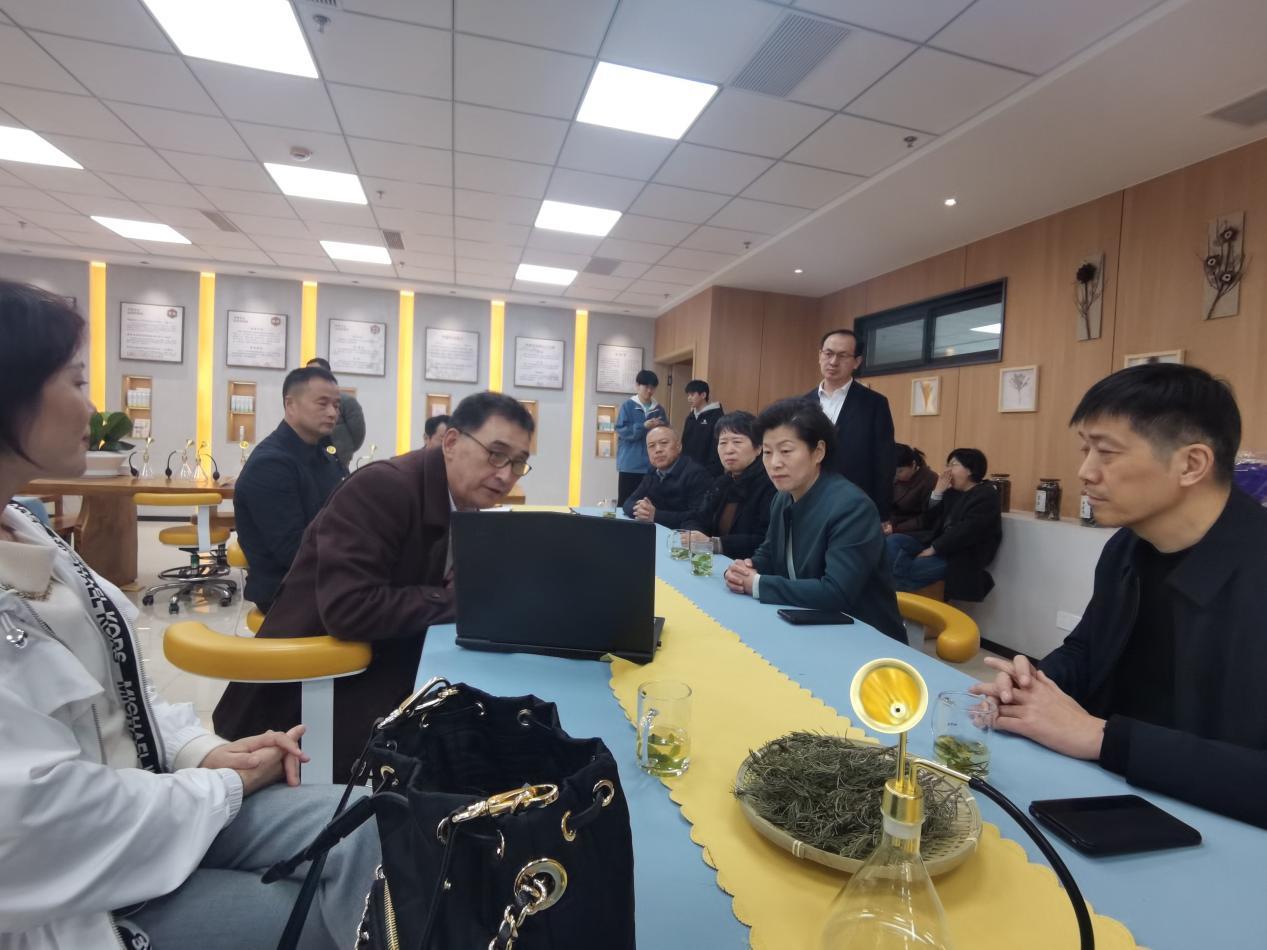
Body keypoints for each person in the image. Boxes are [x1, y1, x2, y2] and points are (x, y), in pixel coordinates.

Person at [0, 281, 378, 950]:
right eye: (76, 381)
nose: (93, 406)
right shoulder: (275, 466)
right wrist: (223, 787)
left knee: (378, 825)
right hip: (81, 889)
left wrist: (203, 751)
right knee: (324, 909)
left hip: (154, 804)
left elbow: (120, 699)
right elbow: (32, 829)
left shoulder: (29, 533)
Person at [973, 364, 1267, 829]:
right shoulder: (1128, 547)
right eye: (1085, 449)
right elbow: (1088, 649)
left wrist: (1101, 738)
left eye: (1106, 452)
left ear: (1192, 464)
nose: (1085, 472)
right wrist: (1034, 685)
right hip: (1108, 794)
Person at [215, 391, 534, 780]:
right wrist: (464, 601)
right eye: (496, 454)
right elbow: (349, 608)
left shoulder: (459, 500)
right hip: (304, 705)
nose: (505, 475)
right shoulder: (385, 488)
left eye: (518, 463)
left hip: (375, 670)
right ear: (451, 442)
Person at [724, 397, 905, 642]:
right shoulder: (783, 497)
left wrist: (757, 584)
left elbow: (836, 591)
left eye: (786, 451)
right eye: (767, 452)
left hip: (863, 638)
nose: (775, 463)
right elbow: (770, 552)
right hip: (805, 625)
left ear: (818, 451)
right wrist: (747, 568)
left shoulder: (852, 507)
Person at [234, 366, 344, 612]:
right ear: (290, 404)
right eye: (322, 403)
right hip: (288, 591)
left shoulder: (322, 454)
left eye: (336, 406)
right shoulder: (270, 464)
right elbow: (293, 552)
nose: (332, 412)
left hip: (324, 576)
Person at [885, 448, 1002, 600]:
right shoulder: (952, 492)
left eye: (953, 465)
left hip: (960, 555)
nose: (947, 470)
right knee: (894, 541)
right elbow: (929, 520)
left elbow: (967, 530)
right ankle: (894, 587)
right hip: (935, 544)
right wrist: (937, 493)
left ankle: (892, 590)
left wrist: (934, 548)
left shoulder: (986, 494)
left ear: (970, 470)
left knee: (911, 568)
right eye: (947, 465)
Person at [803, 329, 896, 520]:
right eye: (828, 353)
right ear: (820, 355)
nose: (833, 361)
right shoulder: (802, 403)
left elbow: (884, 461)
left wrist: (881, 512)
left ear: (857, 362)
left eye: (843, 356)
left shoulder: (874, 403)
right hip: (808, 497)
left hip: (854, 501)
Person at [681, 411, 775, 559]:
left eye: (737, 442)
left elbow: (765, 540)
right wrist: (693, 534)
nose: (729, 450)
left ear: (758, 448)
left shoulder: (770, 484)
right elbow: (697, 516)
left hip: (749, 567)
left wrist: (715, 544)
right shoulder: (723, 482)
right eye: (723, 443)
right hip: (715, 562)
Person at [621, 425, 712, 527]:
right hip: (655, 532)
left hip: (682, 535)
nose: (658, 450)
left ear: (679, 447)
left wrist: (655, 515)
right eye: (651, 446)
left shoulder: (696, 474)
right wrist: (643, 511)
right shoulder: (652, 472)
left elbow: (699, 517)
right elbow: (628, 503)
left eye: (664, 443)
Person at [615, 369, 668, 506]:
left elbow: (666, 433)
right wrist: (643, 426)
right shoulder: (627, 406)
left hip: (652, 465)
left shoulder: (658, 409)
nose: (649, 391)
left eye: (653, 387)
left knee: (648, 504)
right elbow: (621, 430)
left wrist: (660, 427)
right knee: (625, 503)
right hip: (630, 465)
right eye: (646, 387)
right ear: (637, 386)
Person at [306, 357, 365, 470]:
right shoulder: (304, 401)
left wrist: (345, 450)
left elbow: (358, 434)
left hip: (338, 459)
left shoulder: (347, 401)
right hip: (310, 459)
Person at [887, 444, 937, 535]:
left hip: (912, 530)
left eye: (900, 471)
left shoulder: (929, 480)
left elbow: (926, 518)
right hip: (890, 524)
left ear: (913, 465)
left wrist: (895, 529)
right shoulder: (893, 477)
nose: (895, 476)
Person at [681, 379, 724, 477]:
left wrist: (711, 470)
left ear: (703, 395)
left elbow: (716, 446)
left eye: (692, 395)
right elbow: (685, 442)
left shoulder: (716, 416)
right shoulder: (690, 417)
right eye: (688, 395)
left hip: (709, 471)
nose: (689, 398)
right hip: (689, 469)